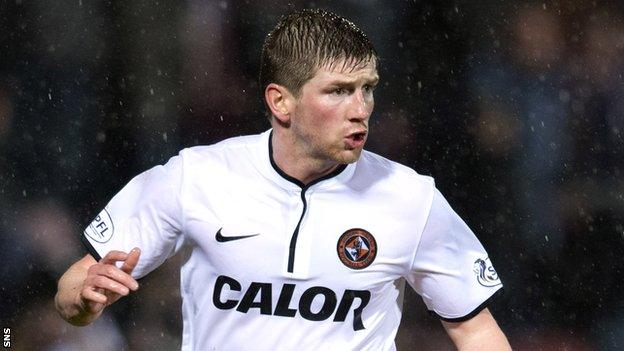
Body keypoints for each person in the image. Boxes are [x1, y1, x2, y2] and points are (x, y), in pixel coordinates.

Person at [55, 9, 511, 350]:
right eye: (338, 91)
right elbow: (72, 288)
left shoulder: (411, 197)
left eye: (366, 88)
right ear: (281, 102)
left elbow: (475, 328)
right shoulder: (196, 176)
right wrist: (83, 300)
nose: (361, 109)